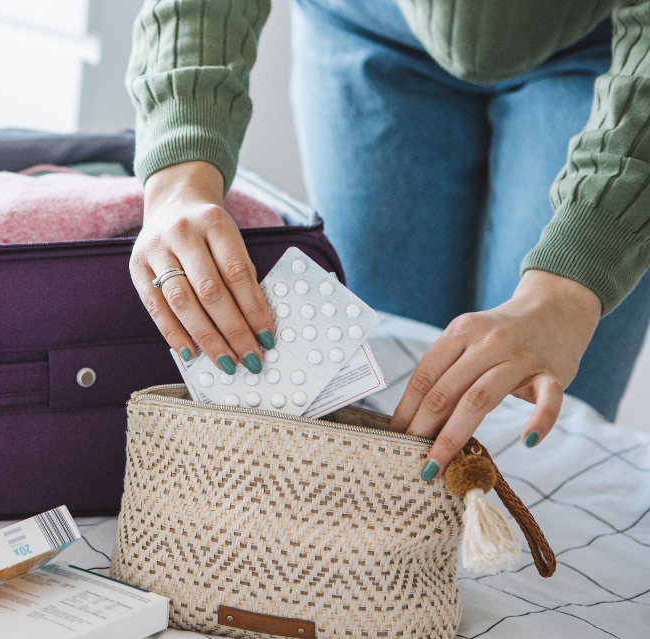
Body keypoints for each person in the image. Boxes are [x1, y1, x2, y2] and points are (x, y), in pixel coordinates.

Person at [126, 0, 650, 481]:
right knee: (381, 405)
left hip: (608, 49)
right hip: (365, 21)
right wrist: (178, 178)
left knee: (538, 440)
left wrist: (566, 291)